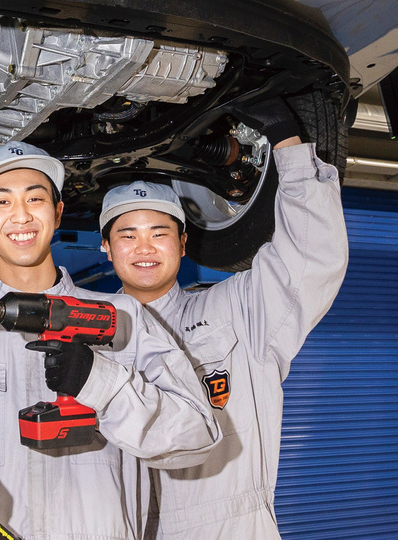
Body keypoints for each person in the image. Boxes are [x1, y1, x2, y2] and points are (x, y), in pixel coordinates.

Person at [0, 141, 222, 540]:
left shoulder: (125, 317)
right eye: (2, 202)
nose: (22, 215)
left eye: (35, 198)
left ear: (58, 211)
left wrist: (101, 381)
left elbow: (196, 436)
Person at [99, 99, 348, 538]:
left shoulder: (236, 311)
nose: (144, 248)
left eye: (159, 234)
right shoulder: (89, 335)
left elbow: (310, 258)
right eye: (128, 235)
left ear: (182, 241)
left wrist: (287, 143)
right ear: (106, 247)